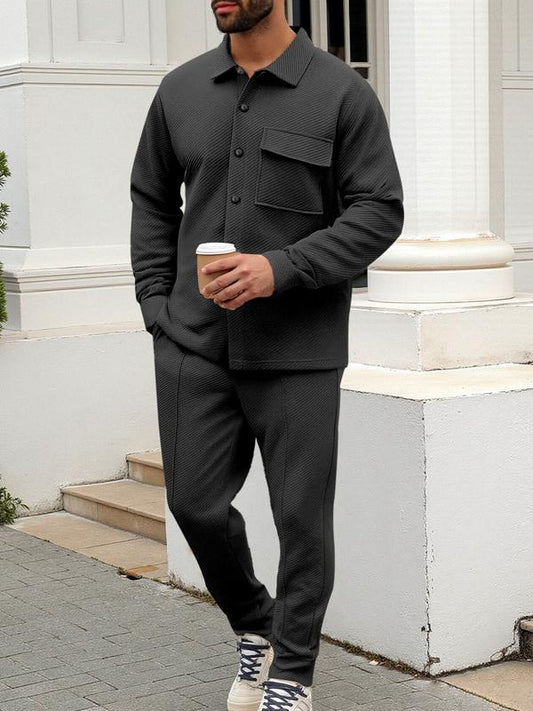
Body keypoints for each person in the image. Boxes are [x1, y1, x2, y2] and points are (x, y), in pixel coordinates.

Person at [130, 1, 404, 709]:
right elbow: (151, 198)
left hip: (299, 349)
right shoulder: (180, 91)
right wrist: (155, 302)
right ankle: (257, 624)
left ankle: (292, 674)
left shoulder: (342, 93)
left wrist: (278, 269)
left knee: (300, 523)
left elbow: (378, 210)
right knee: (193, 504)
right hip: (192, 342)